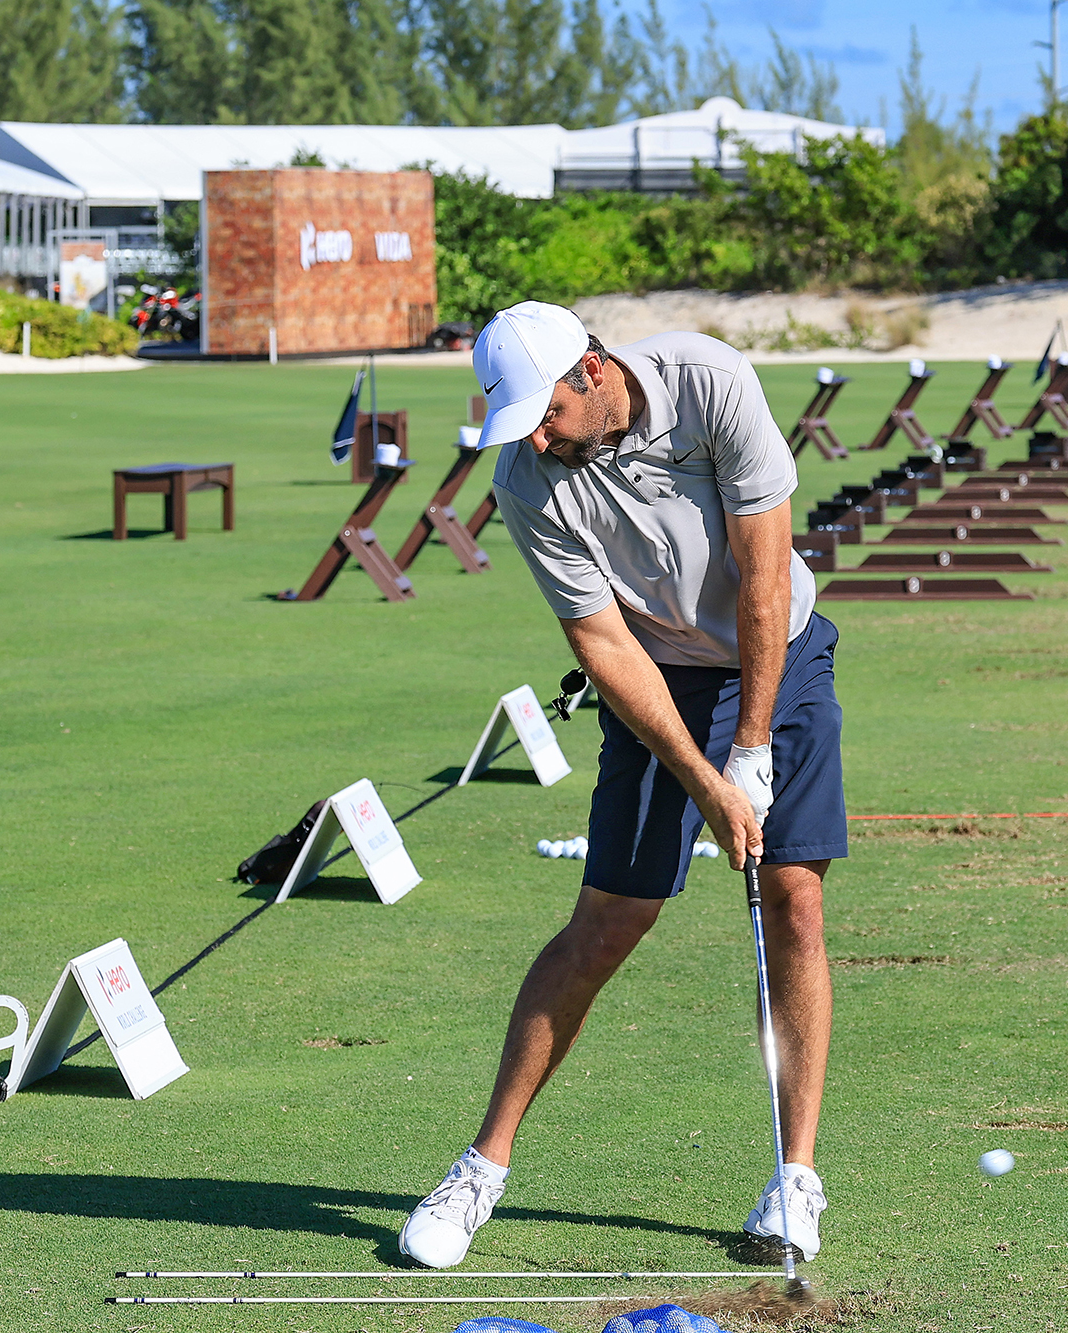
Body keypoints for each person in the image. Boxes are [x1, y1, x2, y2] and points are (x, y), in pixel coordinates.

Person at [398, 302, 846, 1269]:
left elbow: (764, 573)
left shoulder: (710, 380)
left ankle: (796, 1178)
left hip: (781, 653)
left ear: (593, 372)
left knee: (794, 903)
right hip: (659, 673)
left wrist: (754, 749)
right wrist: (708, 778)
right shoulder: (528, 477)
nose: (539, 437)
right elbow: (603, 644)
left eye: (548, 413)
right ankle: (481, 1169)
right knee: (609, 920)